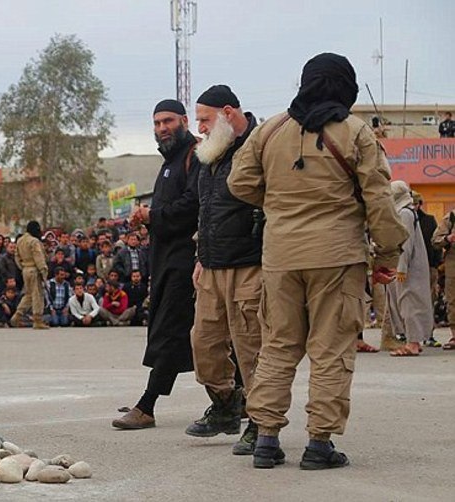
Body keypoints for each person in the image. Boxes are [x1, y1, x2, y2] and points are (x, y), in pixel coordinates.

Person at [228, 53, 408, 469]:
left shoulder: (271, 130)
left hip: (280, 258)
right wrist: (387, 254)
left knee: (277, 345)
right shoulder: (356, 132)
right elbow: (380, 200)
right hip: (337, 258)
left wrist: (279, 205)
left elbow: (239, 184)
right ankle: (318, 444)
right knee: (331, 349)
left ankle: (266, 440)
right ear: (345, 85)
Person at [182, 85, 264, 456]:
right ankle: (227, 405)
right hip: (212, 265)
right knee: (203, 342)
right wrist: (201, 255)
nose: (198, 126)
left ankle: (261, 423)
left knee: (252, 348)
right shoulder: (211, 153)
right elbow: (206, 211)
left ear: (228, 112)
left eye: (204, 118)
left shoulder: (258, 147)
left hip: (250, 263)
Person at [111, 99, 199, 430]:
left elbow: (192, 206)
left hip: (186, 263)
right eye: (157, 123)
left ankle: (147, 405)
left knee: (170, 333)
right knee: (200, 336)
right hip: (165, 262)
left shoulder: (196, 157)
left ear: (185, 121)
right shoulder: (170, 163)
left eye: (168, 121)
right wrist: (146, 218)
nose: (162, 128)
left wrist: (154, 215)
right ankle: (239, 396)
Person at [385, 181, 433, 356]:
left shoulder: (405, 213)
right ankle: (414, 341)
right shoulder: (406, 212)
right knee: (408, 302)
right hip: (410, 266)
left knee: (409, 303)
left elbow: (405, 242)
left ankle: (412, 344)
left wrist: (401, 268)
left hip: (408, 268)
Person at [412, 191, 442, 347]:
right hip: (411, 269)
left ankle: (429, 334)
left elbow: (436, 246)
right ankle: (411, 336)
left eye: (415, 203)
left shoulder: (429, 221)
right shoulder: (405, 218)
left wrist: (436, 266)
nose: (413, 206)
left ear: (420, 204)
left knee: (429, 301)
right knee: (411, 302)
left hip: (429, 267)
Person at [10, 221, 50, 330]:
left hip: (25, 270)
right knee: (37, 294)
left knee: (28, 294)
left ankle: (17, 315)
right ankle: (37, 320)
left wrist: (22, 267)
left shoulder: (20, 240)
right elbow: (38, 256)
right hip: (34, 269)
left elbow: (17, 256)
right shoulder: (34, 241)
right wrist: (43, 270)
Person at [431, 205, 455, 350]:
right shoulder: (451, 217)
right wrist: (448, 238)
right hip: (453, 264)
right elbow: (435, 240)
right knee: (453, 300)